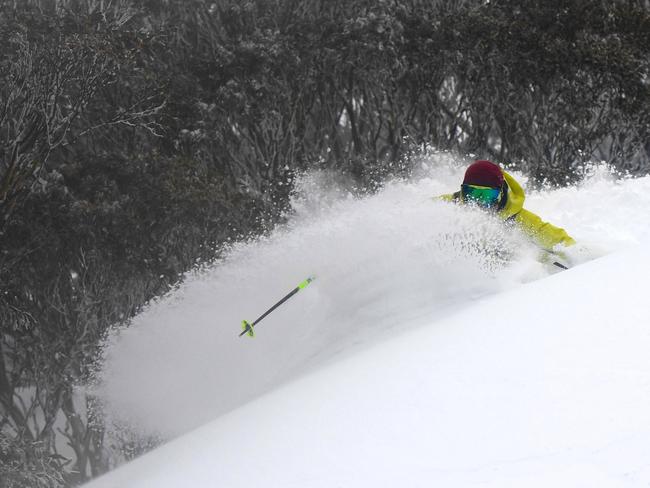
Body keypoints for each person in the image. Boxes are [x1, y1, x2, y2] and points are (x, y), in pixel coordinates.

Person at [440, 160, 575, 252]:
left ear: (500, 193)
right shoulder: (448, 206)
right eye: (472, 193)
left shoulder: (516, 218)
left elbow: (560, 241)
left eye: (487, 195)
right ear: (463, 190)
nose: (478, 202)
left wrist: (575, 254)